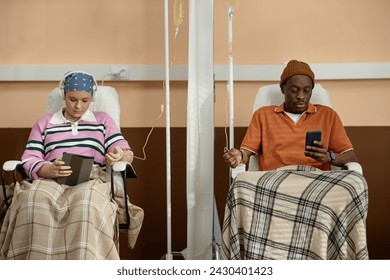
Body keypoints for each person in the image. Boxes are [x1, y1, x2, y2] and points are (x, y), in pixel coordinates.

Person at [0, 71, 143, 259]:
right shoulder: (45, 123)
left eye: (85, 100)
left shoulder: (103, 120)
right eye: (72, 99)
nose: (78, 106)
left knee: (87, 204)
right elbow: (30, 158)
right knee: (31, 201)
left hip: (91, 178)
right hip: (49, 178)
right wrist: (47, 169)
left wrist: (119, 155)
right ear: (63, 95)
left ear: (92, 98)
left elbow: (124, 152)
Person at [223, 60, 358, 171]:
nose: (301, 96)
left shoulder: (328, 116)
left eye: (307, 90)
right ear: (283, 89)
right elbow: (246, 153)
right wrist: (239, 156)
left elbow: (351, 156)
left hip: (315, 182)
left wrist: (329, 157)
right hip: (273, 182)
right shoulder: (263, 115)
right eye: (294, 90)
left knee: (357, 184)